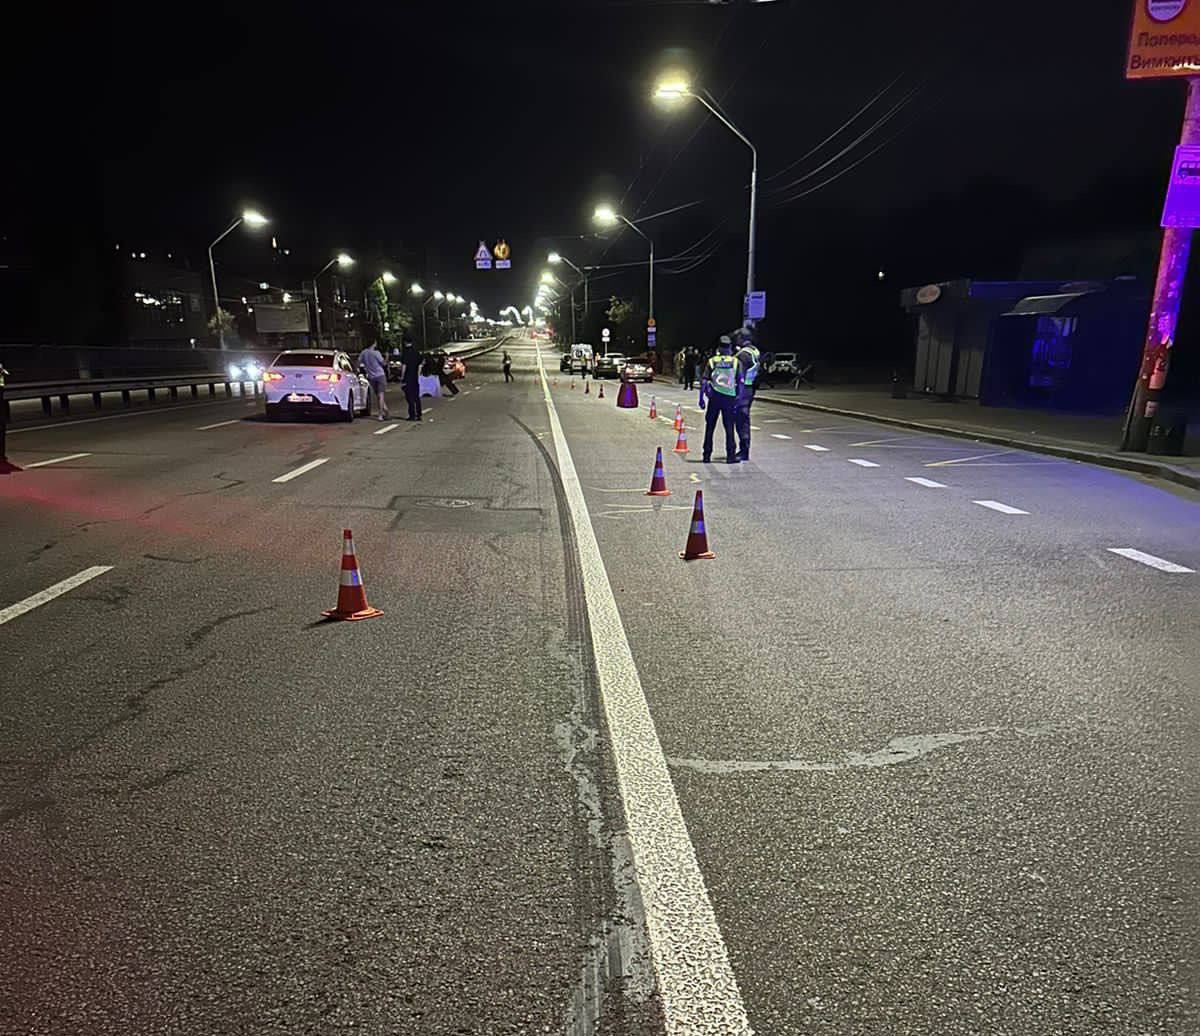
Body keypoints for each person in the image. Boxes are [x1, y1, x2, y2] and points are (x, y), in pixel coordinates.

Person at [700, 335, 741, 464]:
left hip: (714, 398)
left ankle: (706, 455)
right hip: (729, 399)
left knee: (710, 427)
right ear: (730, 348)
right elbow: (740, 381)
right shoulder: (735, 362)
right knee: (729, 428)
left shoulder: (712, 361)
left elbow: (705, 381)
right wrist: (739, 398)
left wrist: (701, 398)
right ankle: (730, 456)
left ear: (718, 348)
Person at [733, 327, 761, 462]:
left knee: (741, 420)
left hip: (743, 390)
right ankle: (744, 449)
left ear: (742, 339)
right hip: (750, 388)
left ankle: (744, 450)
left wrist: (736, 393)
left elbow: (740, 376)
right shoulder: (754, 351)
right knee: (743, 419)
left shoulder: (743, 355)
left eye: (738, 337)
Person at [358, 335, 389, 421]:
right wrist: (387, 357)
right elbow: (384, 364)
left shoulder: (363, 353)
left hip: (371, 376)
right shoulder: (376, 353)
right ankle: (381, 414)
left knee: (378, 395)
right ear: (374, 343)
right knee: (381, 395)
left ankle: (386, 411)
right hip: (380, 375)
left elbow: (358, 362)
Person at [400, 339, 423, 421]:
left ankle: (412, 415)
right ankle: (419, 414)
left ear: (405, 343)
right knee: (416, 396)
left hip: (407, 377)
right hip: (415, 377)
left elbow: (404, 366)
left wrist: (402, 377)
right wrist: (418, 374)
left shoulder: (405, 353)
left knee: (409, 397)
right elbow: (420, 365)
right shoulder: (416, 352)